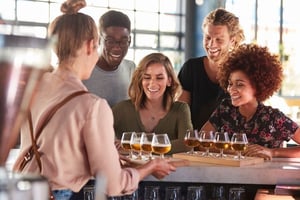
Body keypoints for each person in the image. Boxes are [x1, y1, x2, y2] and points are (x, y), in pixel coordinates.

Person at [12, 1, 179, 199]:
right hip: (59, 194)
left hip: (21, 189)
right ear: (92, 45)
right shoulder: (92, 106)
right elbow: (113, 184)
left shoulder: (35, 86)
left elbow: (58, 144)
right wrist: (150, 167)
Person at [200, 43, 300, 160]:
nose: (231, 89)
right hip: (227, 175)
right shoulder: (225, 109)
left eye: (240, 84)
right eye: (230, 84)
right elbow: (202, 143)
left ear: (257, 86)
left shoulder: (274, 118)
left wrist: (273, 153)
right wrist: (236, 151)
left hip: (264, 176)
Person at [177, 8, 245, 130]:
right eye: (208, 38)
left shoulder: (243, 73)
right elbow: (181, 113)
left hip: (230, 144)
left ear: (232, 41)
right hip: (194, 142)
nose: (211, 45)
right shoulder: (191, 68)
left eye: (219, 39)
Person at [112, 52, 193, 154]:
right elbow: (97, 132)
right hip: (132, 169)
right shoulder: (123, 109)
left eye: (159, 78)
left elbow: (186, 144)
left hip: (170, 170)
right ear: (141, 80)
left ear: (169, 81)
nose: (152, 83)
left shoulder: (181, 109)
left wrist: (137, 147)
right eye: (147, 77)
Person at [83, 10, 135, 107]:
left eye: (123, 41)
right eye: (110, 41)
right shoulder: (83, 71)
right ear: (98, 40)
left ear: (130, 41)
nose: (117, 47)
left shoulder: (130, 68)